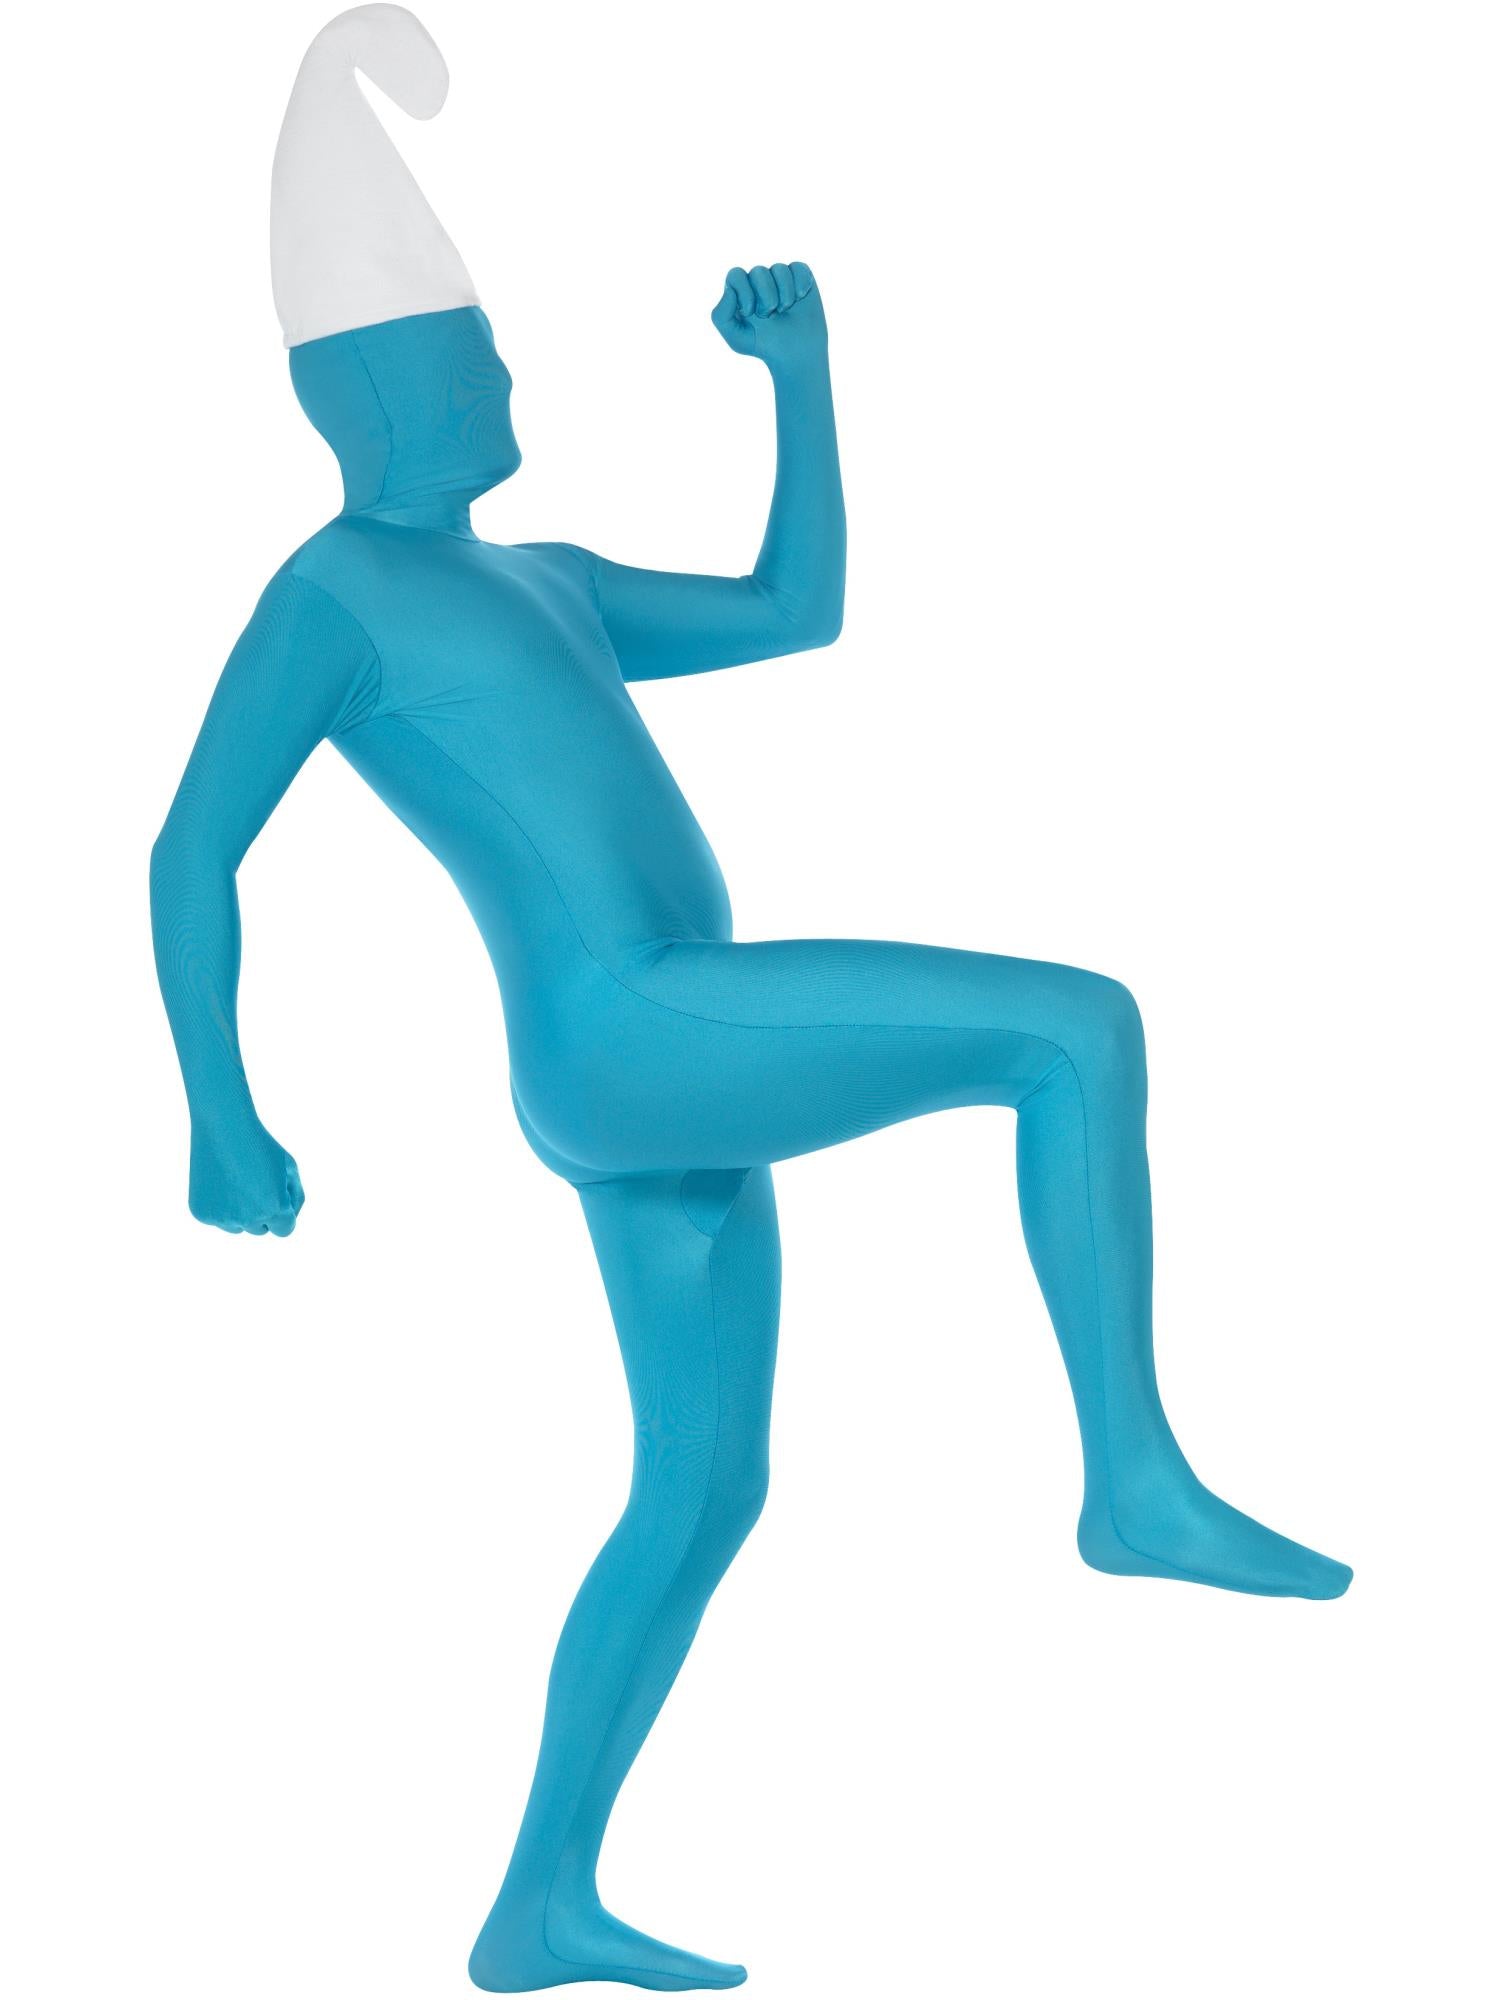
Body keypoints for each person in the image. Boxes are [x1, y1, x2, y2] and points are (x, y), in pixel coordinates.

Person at [150, 9, 1351, 1992]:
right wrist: (220, 1101)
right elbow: (192, 848)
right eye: (468, 361)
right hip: (634, 1029)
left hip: (661, 1063)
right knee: (1074, 1030)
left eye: (492, 350)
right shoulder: (331, 598)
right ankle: (1132, 1482)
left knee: (705, 1486)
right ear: (368, 396)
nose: (502, 379)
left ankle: (535, 1905)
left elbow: (800, 611)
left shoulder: (541, 577)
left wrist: (803, 382)